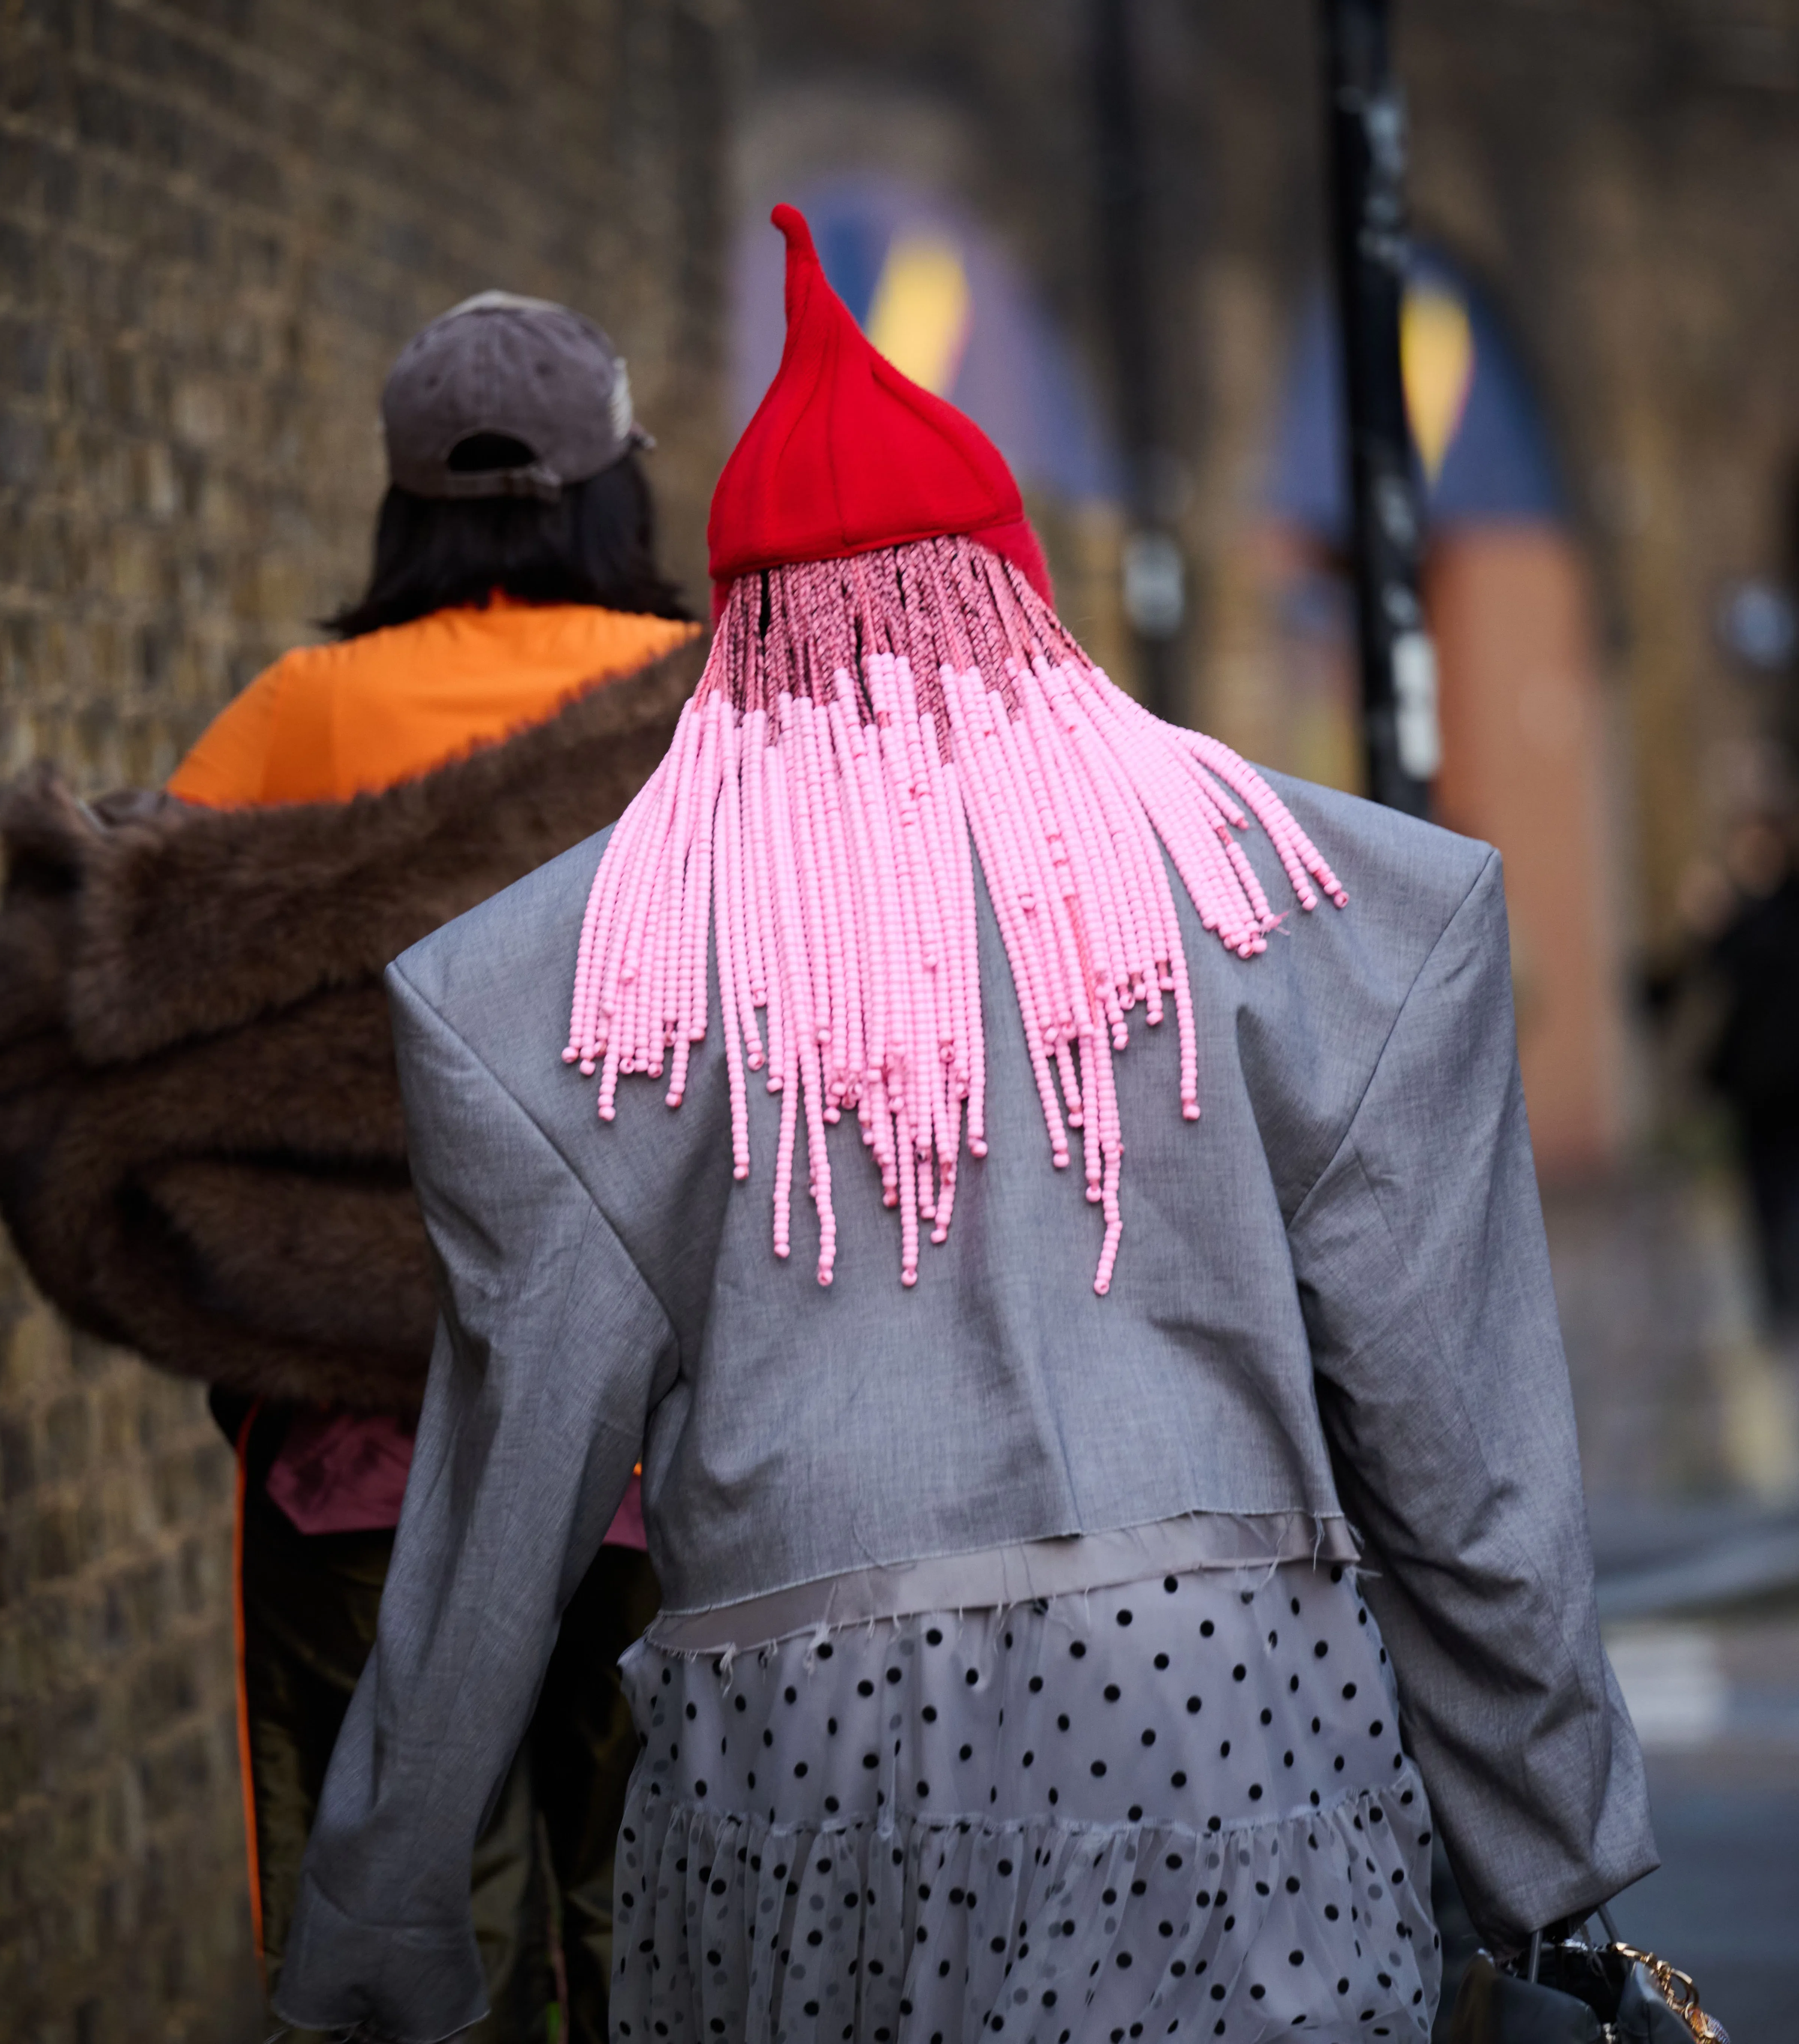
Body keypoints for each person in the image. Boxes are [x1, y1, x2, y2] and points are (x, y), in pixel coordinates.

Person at [271, 207, 1654, 2044]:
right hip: (1232, 1725)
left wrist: (380, 1933)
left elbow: (492, 1519)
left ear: (735, 634)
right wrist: (1543, 1865)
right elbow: (1463, 1476)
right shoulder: (1338, 918)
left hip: (805, 1762)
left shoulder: (562, 992)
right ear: (1021, 591)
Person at [0, 292, 703, 2040]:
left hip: (359, 1465)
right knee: (673, 1931)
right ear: (609, 494)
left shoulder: (291, 717)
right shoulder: (706, 716)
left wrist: (230, 1263)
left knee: (406, 1947)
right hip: (681, 1457)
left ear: (405, 502)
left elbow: (80, 1002)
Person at [1656, 814, 1799, 1332]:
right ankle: (1792, 1288)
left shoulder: (1792, 910)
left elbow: (1743, 965)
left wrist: (1712, 922)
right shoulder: (1767, 915)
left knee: (1794, 1182)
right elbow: (1669, 986)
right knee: (1772, 1188)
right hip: (1759, 1086)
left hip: (1790, 1081)